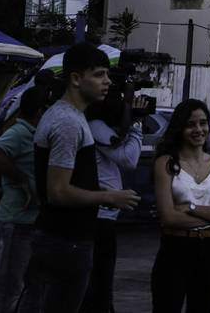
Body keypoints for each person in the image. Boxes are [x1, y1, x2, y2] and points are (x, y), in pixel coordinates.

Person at [18, 43, 140, 313]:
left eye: (107, 75)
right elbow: (58, 191)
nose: (107, 82)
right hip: (65, 240)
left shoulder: (71, 117)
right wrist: (108, 196)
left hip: (67, 237)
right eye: (98, 75)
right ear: (75, 78)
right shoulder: (67, 123)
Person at [151, 100, 210, 313]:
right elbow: (168, 217)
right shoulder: (166, 163)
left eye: (203, 123)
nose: (199, 129)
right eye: (191, 124)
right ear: (180, 127)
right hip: (175, 248)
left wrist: (190, 207)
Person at [80, 84, 146, 313]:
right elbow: (129, 158)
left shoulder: (99, 126)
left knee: (101, 283)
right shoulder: (95, 127)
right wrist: (136, 125)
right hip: (98, 216)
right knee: (98, 282)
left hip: (103, 215)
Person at [0, 85, 46, 313]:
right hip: (15, 221)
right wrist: (21, 179)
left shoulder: (37, 135)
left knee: (28, 289)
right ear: (40, 112)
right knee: (10, 289)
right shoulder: (21, 132)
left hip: (29, 221)